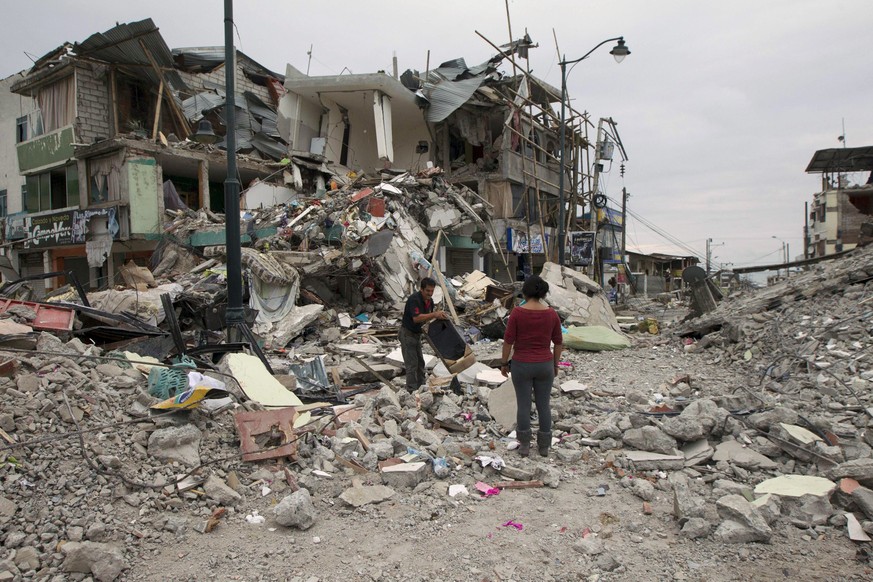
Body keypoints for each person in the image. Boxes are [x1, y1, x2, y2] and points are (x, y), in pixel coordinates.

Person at [499, 275, 563, 457]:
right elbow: (558, 342)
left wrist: (504, 363)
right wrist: (555, 364)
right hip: (545, 365)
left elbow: (508, 341)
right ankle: (544, 446)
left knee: (524, 405)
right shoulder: (551, 314)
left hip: (522, 364)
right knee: (544, 405)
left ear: (525, 292)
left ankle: (525, 445)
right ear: (543, 293)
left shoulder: (518, 313)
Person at [400, 277, 448, 391]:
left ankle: (422, 387)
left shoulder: (430, 302)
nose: (430, 294)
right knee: (412, 364)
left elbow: (427, 319)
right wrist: (435, 314)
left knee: (420, 363)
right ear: (421, 289)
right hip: (407, 334)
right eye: (427, 291)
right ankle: (411, 390)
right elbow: (416, 318)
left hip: (417, 334)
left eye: (432, 291)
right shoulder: (414, 300)